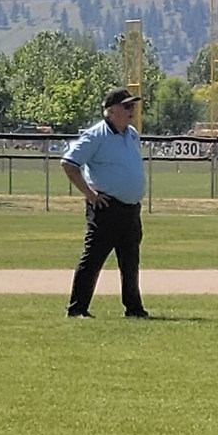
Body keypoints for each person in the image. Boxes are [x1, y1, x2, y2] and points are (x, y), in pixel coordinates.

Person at [60, 87, 150, 319]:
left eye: (133, 106)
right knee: (93, 260)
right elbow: (69, 163)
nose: (132, 110)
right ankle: (78, 309)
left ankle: (134, 308)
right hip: (106, 208)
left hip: (130, 209)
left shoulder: (131, 134)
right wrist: (90, 194)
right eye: (127, 106)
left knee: (130, 262)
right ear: (111, 111)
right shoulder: (96, 135)